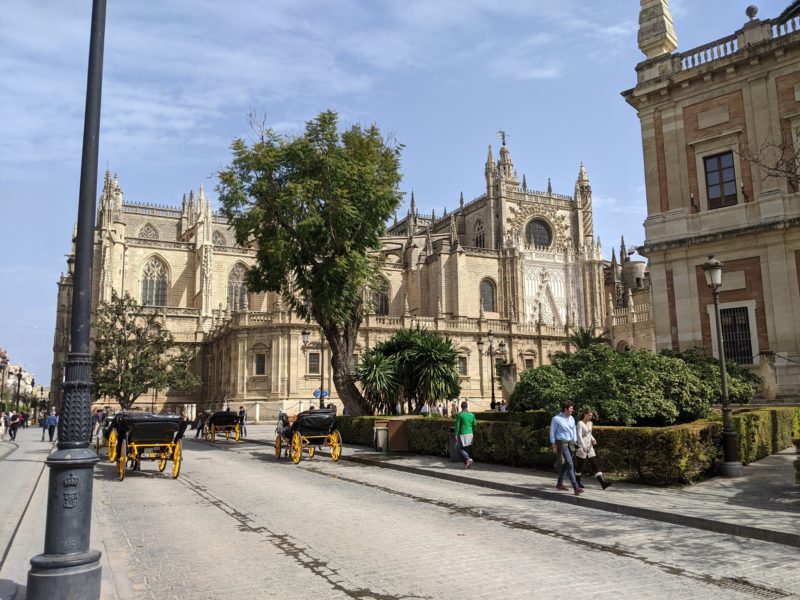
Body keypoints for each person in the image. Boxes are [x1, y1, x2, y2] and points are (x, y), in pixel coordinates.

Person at [550, 401, 582, 495]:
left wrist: (575, 442)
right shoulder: (556, 419)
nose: (572, 410)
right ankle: (576, 487)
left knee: (566, 464)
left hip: (571, 443)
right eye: (571, 408)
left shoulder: (572, 418)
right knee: (570, 464)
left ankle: (559, 484)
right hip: (562, 443)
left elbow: (574, 430)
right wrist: (553, 444)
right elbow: (552, 432)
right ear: (565, 409)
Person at [574, 409, 612, 490]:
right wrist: (583, 446)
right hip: (582, 447)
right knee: (580, 466)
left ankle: (603, 483)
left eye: (591, 415)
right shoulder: (580, 423)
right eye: (589, 415)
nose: (591, 417)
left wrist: (593, 439)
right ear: (585, 414)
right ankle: (577, 482)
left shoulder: (590, 423)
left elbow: (589, 434)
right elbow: (579, 436)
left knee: (595, 464)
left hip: (590, 447)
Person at [453, 400, 476, 468]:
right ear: (467, 406)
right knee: (466, 449)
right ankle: (467, 464)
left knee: (459, 448)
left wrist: (456, 433)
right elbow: (475, 424)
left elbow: (457, 425)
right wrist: (472, 431)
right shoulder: (472, 415)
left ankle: (467, 458)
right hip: (470, 433)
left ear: (461, 407)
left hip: (463, 433)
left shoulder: (460, 415)